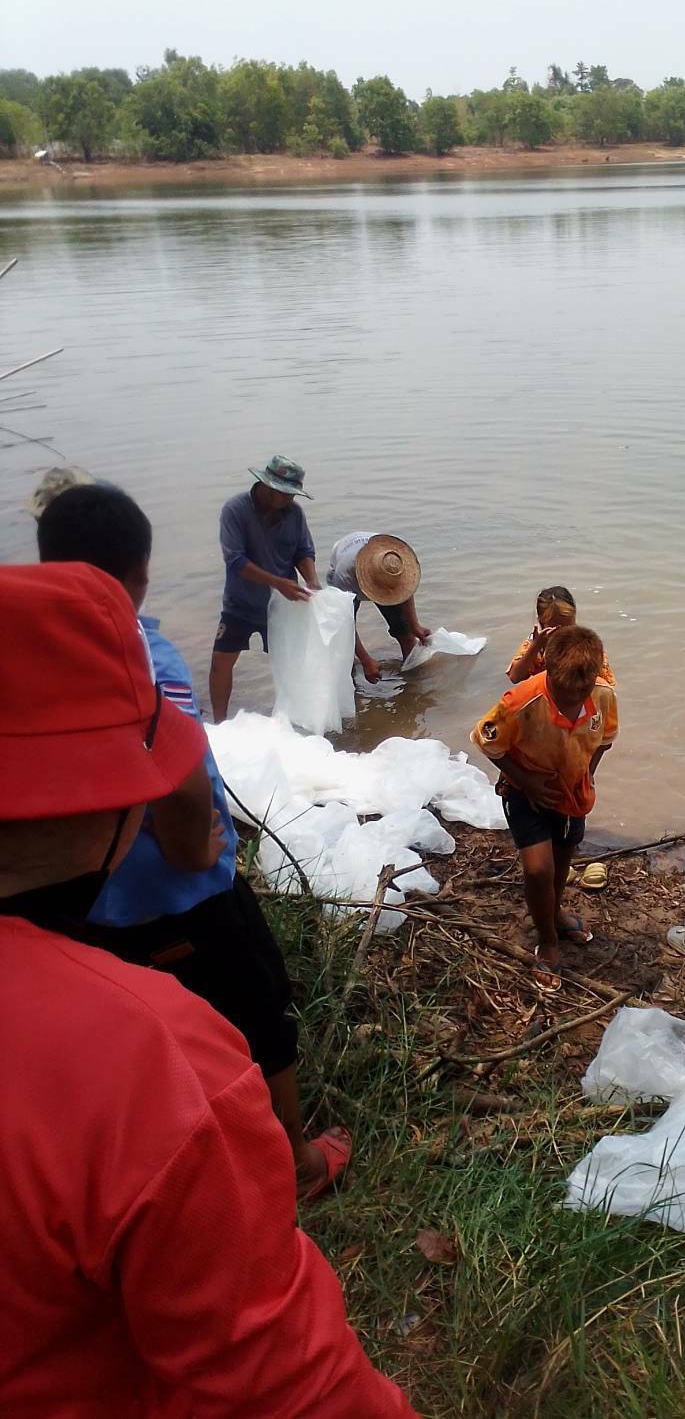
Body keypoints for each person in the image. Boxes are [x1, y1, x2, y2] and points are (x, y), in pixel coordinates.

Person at [0, 562, 414, 1417]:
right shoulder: (150, 1065)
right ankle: (303, 1160)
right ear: (119, 807)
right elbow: (288, 1390)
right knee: (264, 1012)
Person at [38, 482, 351, 1201]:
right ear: (139, 576)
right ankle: (296, 1164)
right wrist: (191, 849)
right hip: (178, 894)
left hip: (81, 907)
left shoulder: (27, 653)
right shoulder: (137, 655)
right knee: (258, 1003)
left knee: (134, 1029)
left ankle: (153, 1153)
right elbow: (172, 780)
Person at [471, 626, 618, 993]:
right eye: (566, 694)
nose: (576, 702)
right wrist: (527, 781)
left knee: (563, 856)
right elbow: (485, 740)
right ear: (548, 673)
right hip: (526, 789)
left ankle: (555, 911)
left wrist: (588, 774)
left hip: (572, 792)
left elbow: (606, 741)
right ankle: (548, 940)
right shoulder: (520, 701)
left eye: (581, 693)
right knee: (538, 869)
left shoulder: (602, 694)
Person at [209, 454, 320, 723]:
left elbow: (303, 551)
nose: (289, 500)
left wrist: (312, 579)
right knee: (221, 662)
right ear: (267, 486)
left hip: (283, 606)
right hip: (242, 602)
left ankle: (294, 719)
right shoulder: (235, 510)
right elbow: (235, 561)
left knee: (292, 664)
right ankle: (220, 724)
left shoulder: (293, 513)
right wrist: (278, 582)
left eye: (293, 495)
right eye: (285, 494)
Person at [326, 531, 431, 684]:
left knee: (406, 633)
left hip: (377, 557)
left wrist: (415, 626)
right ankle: (352, 684)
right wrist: (366, 660)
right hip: (346, 565)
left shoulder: (395, 561)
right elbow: (346, 624)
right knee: (344, 645)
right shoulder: (345, 576)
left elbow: (406, 591)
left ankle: (413, 683)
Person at [507, 585, 616, 686]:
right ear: (541, 622)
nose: (564, 635)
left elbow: (605, 687)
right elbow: (515, 677)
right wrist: (535, 647)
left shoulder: (586, 646)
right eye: (556, 629)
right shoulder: (535, 645)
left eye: (568, 628)